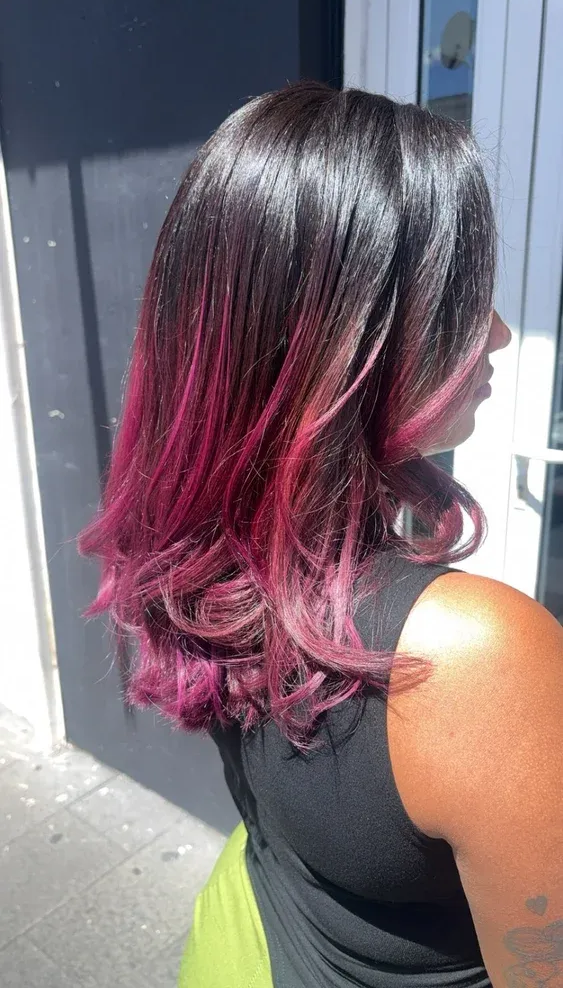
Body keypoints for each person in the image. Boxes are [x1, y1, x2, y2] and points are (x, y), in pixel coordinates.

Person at [79, 83, 563, 988]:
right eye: (460, 302)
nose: (498, 334)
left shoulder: (203, 558)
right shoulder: (473, 655)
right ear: (342, 344)